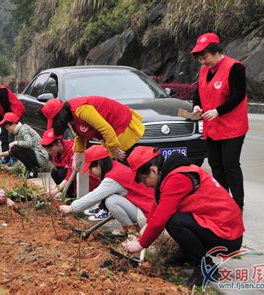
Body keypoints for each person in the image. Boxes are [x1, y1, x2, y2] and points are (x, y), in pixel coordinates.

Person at [123, 146, 244, 287]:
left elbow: (159, 220)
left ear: (153, 170)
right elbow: (155, 211)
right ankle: (188, 253)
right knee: (176, 217)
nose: (145, 185)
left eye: (143, 180)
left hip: (227, 236)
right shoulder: (168, 174)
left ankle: (204, 266)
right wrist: (142, 235)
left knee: (173, 221)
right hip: (217, 227)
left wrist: (140, 244)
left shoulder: (177, 178)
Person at [190, 32, 248, 211]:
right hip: (212, 126)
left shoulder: (234, 67)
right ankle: (223, 201)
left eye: (205, 57)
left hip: (233, 127)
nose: (203, 62)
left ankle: (237, 204)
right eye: (199, 58)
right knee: (215, 164)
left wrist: (218, 111)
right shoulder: (204, 70)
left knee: (230, 164)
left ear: (215, 51)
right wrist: (196, 106)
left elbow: (239, 95)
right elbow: (198, 93)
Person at [59, 145, 155, 237]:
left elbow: (94, 196)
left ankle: (132, 233)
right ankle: (128, 228)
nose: (91, 172)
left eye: (92, 168)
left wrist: (71, 208)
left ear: (100, 164)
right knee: (112, 199)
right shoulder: (116, 166)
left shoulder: (113, 177)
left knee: (111, 201)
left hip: (147, 214)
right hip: (146, 209)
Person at [40, 96, 144, 170]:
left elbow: (105, 128)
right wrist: (77, 154)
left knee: (122, 165)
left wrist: (114, 149)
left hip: (122, 127)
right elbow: (80, 134)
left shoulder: (81, 110)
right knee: (111, 165)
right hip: (111, 135)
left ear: (60, 116)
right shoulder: (71, 116)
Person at [40, 128, 101, 202]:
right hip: (73, 179)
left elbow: (70, 174)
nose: (48, 152)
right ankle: (68, 195)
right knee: (55, 172)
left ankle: (73, 197)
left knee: (62, 173)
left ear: (59, 143)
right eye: (46, 150)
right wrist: (54, 189)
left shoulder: (73, 150)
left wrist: (56, 191)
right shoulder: (55, 152)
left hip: (86, 181)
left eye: (49, 149)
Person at [0, 112, 49, 179]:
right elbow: (13, 152)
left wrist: (16, 142)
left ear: (14, 124)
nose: (7, 129)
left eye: (7, 127)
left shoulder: (23, 129)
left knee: (15, 148)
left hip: (41, 157)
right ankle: (31, 169)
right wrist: (0, 154)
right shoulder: (17, 132)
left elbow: (29, 143)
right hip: (35, 155)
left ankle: (32, 169)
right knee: (15, 149)